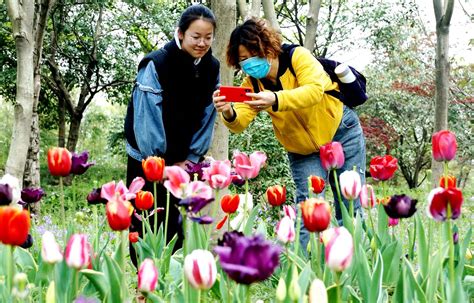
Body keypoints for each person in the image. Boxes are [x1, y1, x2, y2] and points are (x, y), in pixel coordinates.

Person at [213, 17, 366, 250]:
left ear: (268, 46)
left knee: (349, 203)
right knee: (308, 210)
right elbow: (240, 122)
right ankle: (302, 272)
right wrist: (229, 112)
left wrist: (275, 99)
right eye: (243, 59)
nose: (250, 62)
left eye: (254, 53)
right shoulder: (252, 83)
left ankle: (354, 267)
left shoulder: (298, 57)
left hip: (341, 132)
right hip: (303, 151)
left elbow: (314, 91)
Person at [124, 4, 220, 266]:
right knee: (145, 224)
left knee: (175, 227)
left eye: (208, 37)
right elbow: (146, 116)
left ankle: (169, 286)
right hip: (147, 157)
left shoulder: (211, 67)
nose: (202, 43)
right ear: (180, 34)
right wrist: (157, 162)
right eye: (195, 36)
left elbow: (208, 115)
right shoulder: (157, 63)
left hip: (181, 162)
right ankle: (144, 285)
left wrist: (189, 159)